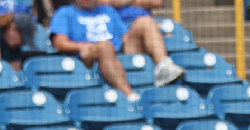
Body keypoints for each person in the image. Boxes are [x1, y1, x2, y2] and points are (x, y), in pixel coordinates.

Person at [49, 0, 183, 95]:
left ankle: (164, 65)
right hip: (88, 58)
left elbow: (124, 36)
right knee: (105, 45)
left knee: (146, 21)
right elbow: (59, 43)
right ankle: (130, 95)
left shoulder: (108, 10)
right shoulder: (65, 12)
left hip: (118, 53)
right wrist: (80, 46)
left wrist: (154, 30)